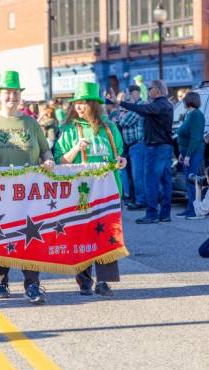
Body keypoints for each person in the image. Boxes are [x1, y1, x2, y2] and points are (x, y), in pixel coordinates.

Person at [0, 70, 55, 305]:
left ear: (20, 96)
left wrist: (48, 159)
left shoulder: (30, 123)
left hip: (28, 191)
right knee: (0, 233)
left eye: (15, 93)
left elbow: (45, 149)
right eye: (7, 93)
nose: (11, 97)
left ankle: (33, 284)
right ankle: (0, 282)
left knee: (31, 235)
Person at [53, 81, 127, 296]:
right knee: (82, 235)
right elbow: (60, 162)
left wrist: (121, 161)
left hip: (109, 190)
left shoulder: (109, 128)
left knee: (107, 236)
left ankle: (104, 281)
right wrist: (76, 148)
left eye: (83, 103)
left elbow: (118, 155)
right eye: (77, 104)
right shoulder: (69, 130)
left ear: (94, 105)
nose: (79, 107)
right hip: (81, 192)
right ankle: (84, 281)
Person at [109, 79, 174, 223]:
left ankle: (151, 214)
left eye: (150, 88)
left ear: (157, 89)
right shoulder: (166, 105)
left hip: (156, 148)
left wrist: (120, 103)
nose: (149, 91)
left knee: (151, 181)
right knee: (165, 181)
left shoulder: (158, 105)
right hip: (164, 148)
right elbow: (142, 110)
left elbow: (141, 109)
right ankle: (165, 214)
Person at [176, 91, 206, 219]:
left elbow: (196, 137)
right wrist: (182, 154)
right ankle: (190, 208)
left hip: (193, 153)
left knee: (193, 181)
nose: (183, 102)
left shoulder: (197, 115)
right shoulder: (190, 114)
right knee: (188, 182)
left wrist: (188, 155)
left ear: (189, 101)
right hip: (187, 152)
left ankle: (196, 210)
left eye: (184, 100)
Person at [118, 85, 147, 210]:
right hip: (132, 146)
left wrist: (123, 115)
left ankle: (141, 201)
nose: (132, 96)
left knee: (137, 175)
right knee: (133, 175)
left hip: (138, 144)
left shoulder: (138, 107)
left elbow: (123, 122)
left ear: (138, 94)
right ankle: (136, 199)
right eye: (131, 94)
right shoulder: (133, 108)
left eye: (134, 94)